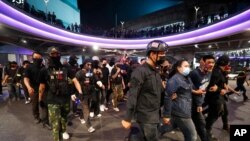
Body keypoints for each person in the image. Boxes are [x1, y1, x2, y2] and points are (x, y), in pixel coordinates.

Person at [121, 40, 168, 141]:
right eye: (162, 53)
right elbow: (132, 95)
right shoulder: (140, 72)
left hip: (155, 114)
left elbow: (157, 92)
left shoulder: (156, 71)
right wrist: (127, 118)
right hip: (146, 117)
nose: (164, 56)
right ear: (152, 54)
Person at [38, 47, 83, 141]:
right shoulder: (44, 70)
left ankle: (64, 131)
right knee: (55, 123)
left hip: (65, 99)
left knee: (64, 118)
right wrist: (40, 99)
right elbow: (42, 87)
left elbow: (75, 80)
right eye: (53, 54)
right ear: (49, 55)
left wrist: (80, 91)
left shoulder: (66, 68)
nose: (55, 56)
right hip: (52, 100)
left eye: (57, 54)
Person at [163, 59, 205, 141]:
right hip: (181, 111)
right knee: (192, 136)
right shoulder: (174, 80)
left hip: (184, 109)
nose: (188, 68)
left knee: (170, 126)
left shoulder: (187, 78)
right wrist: (166, 115)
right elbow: (167, 97)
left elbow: (189, 88)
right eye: (185, 66)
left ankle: (154, 134)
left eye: (188, 66)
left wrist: (196, 92)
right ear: (178, 68)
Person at [189, 55, 215, 141]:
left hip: (199, 103)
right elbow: (185, 87)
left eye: (213, 62)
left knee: (199, 125)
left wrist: (213, 88)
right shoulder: (194, 73)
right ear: (203, 62)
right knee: (201, 125)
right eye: (209, 62)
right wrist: (199, 104)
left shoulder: (209, 73)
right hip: (192, 104)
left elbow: (203, 87)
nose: (211, 64)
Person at [205, 55, 230, 140]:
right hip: (215, 98)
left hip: (220, 97)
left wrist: (224, 86)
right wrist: (220, 90)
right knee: (213, 116)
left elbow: (222, 83)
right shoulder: (217, 72)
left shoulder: (221, 71)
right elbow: (211, 87)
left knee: (225, 112)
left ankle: (225, 126)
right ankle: (206, 132)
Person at [24, 52, 51, 129]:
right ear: (32, 58)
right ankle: (36, 117)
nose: (38, 59)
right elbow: (26, 79)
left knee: (44, 105)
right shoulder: (29, 67)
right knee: (35, 105)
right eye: (36, 57)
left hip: (44, 89)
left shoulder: (44, 67)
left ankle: (45, 122)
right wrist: (29, 87)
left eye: (39, 58)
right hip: (34, 90)